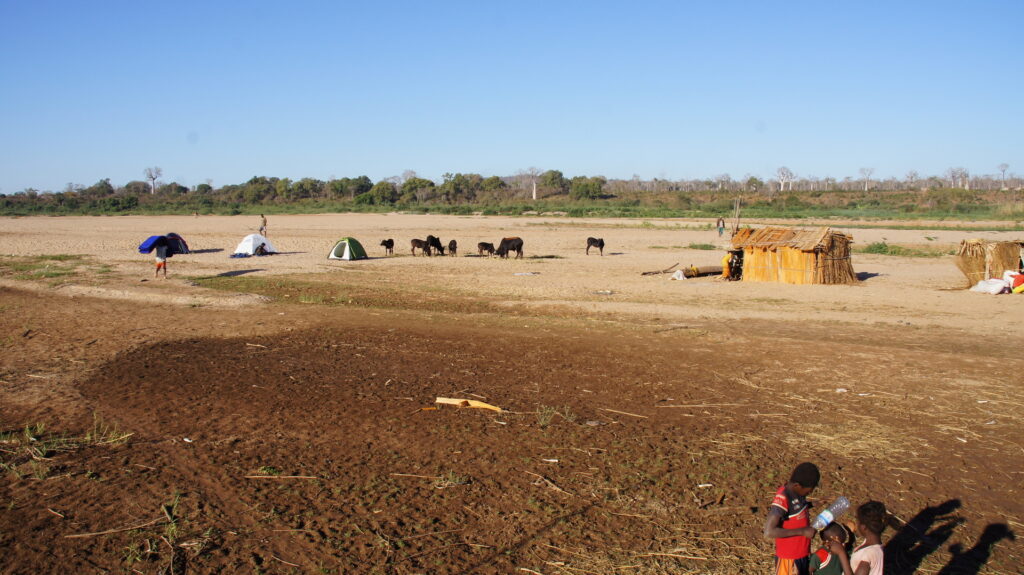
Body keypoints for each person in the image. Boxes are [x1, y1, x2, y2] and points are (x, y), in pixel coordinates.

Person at [764, 462, 820, 575]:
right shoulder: (783, 498)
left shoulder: (798, 493)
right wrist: (802, 531)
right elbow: (769, 531)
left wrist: (811, 504)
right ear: (797, 486)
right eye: (808, 491)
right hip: (789, 558)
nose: (809, 493)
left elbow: (794, 510)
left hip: (802, 554)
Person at [845, 501, 886, 575]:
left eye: (857, 522)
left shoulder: (868, 554)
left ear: (863, 527)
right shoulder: (872, 547)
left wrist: (841, 554)